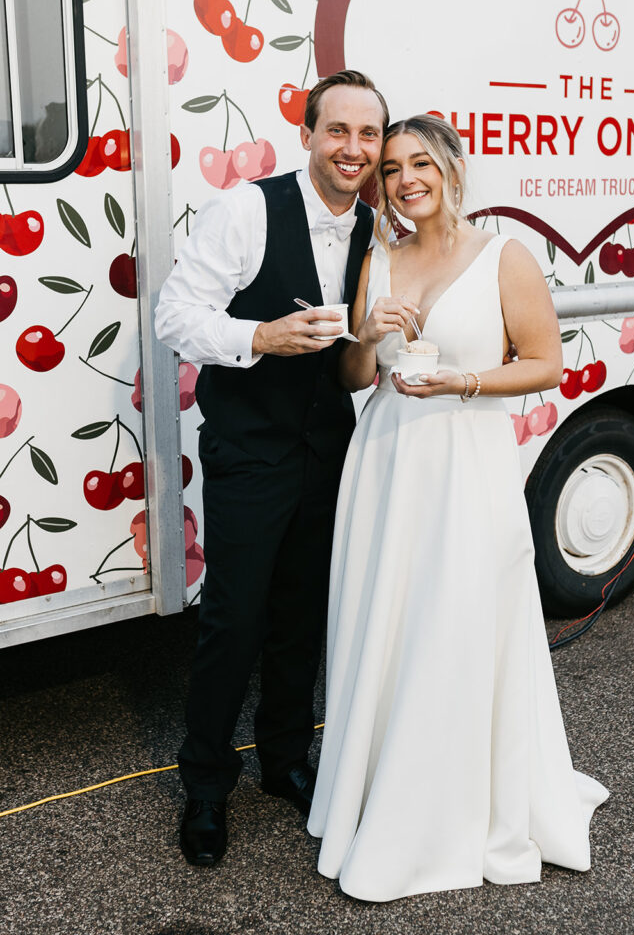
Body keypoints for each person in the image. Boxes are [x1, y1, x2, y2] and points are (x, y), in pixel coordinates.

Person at [307, 115, 609, 901]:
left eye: (418, 162)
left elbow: (545, 365)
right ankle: (383, 793)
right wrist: (364, 338)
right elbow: (350, 377)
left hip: (467, 463)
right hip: (386, 463)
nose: (404, 179)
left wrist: (463, 383)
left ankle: (451, 809)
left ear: (447, 166)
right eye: (392, 169)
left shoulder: (502, 255)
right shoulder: (379, 256)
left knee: (461, 623)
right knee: (392, 626)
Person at [154, 70, 389, 867]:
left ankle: (286, 759)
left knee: (302, 615)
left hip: (329, 446)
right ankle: (206, 787)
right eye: (338, 131)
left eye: (368, 135)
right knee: (234, 619)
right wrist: (258, 338)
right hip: (250, 450)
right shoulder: (246, 209)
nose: (353, 149)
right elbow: (175, 315)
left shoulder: (378, 227)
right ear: (308, 133)